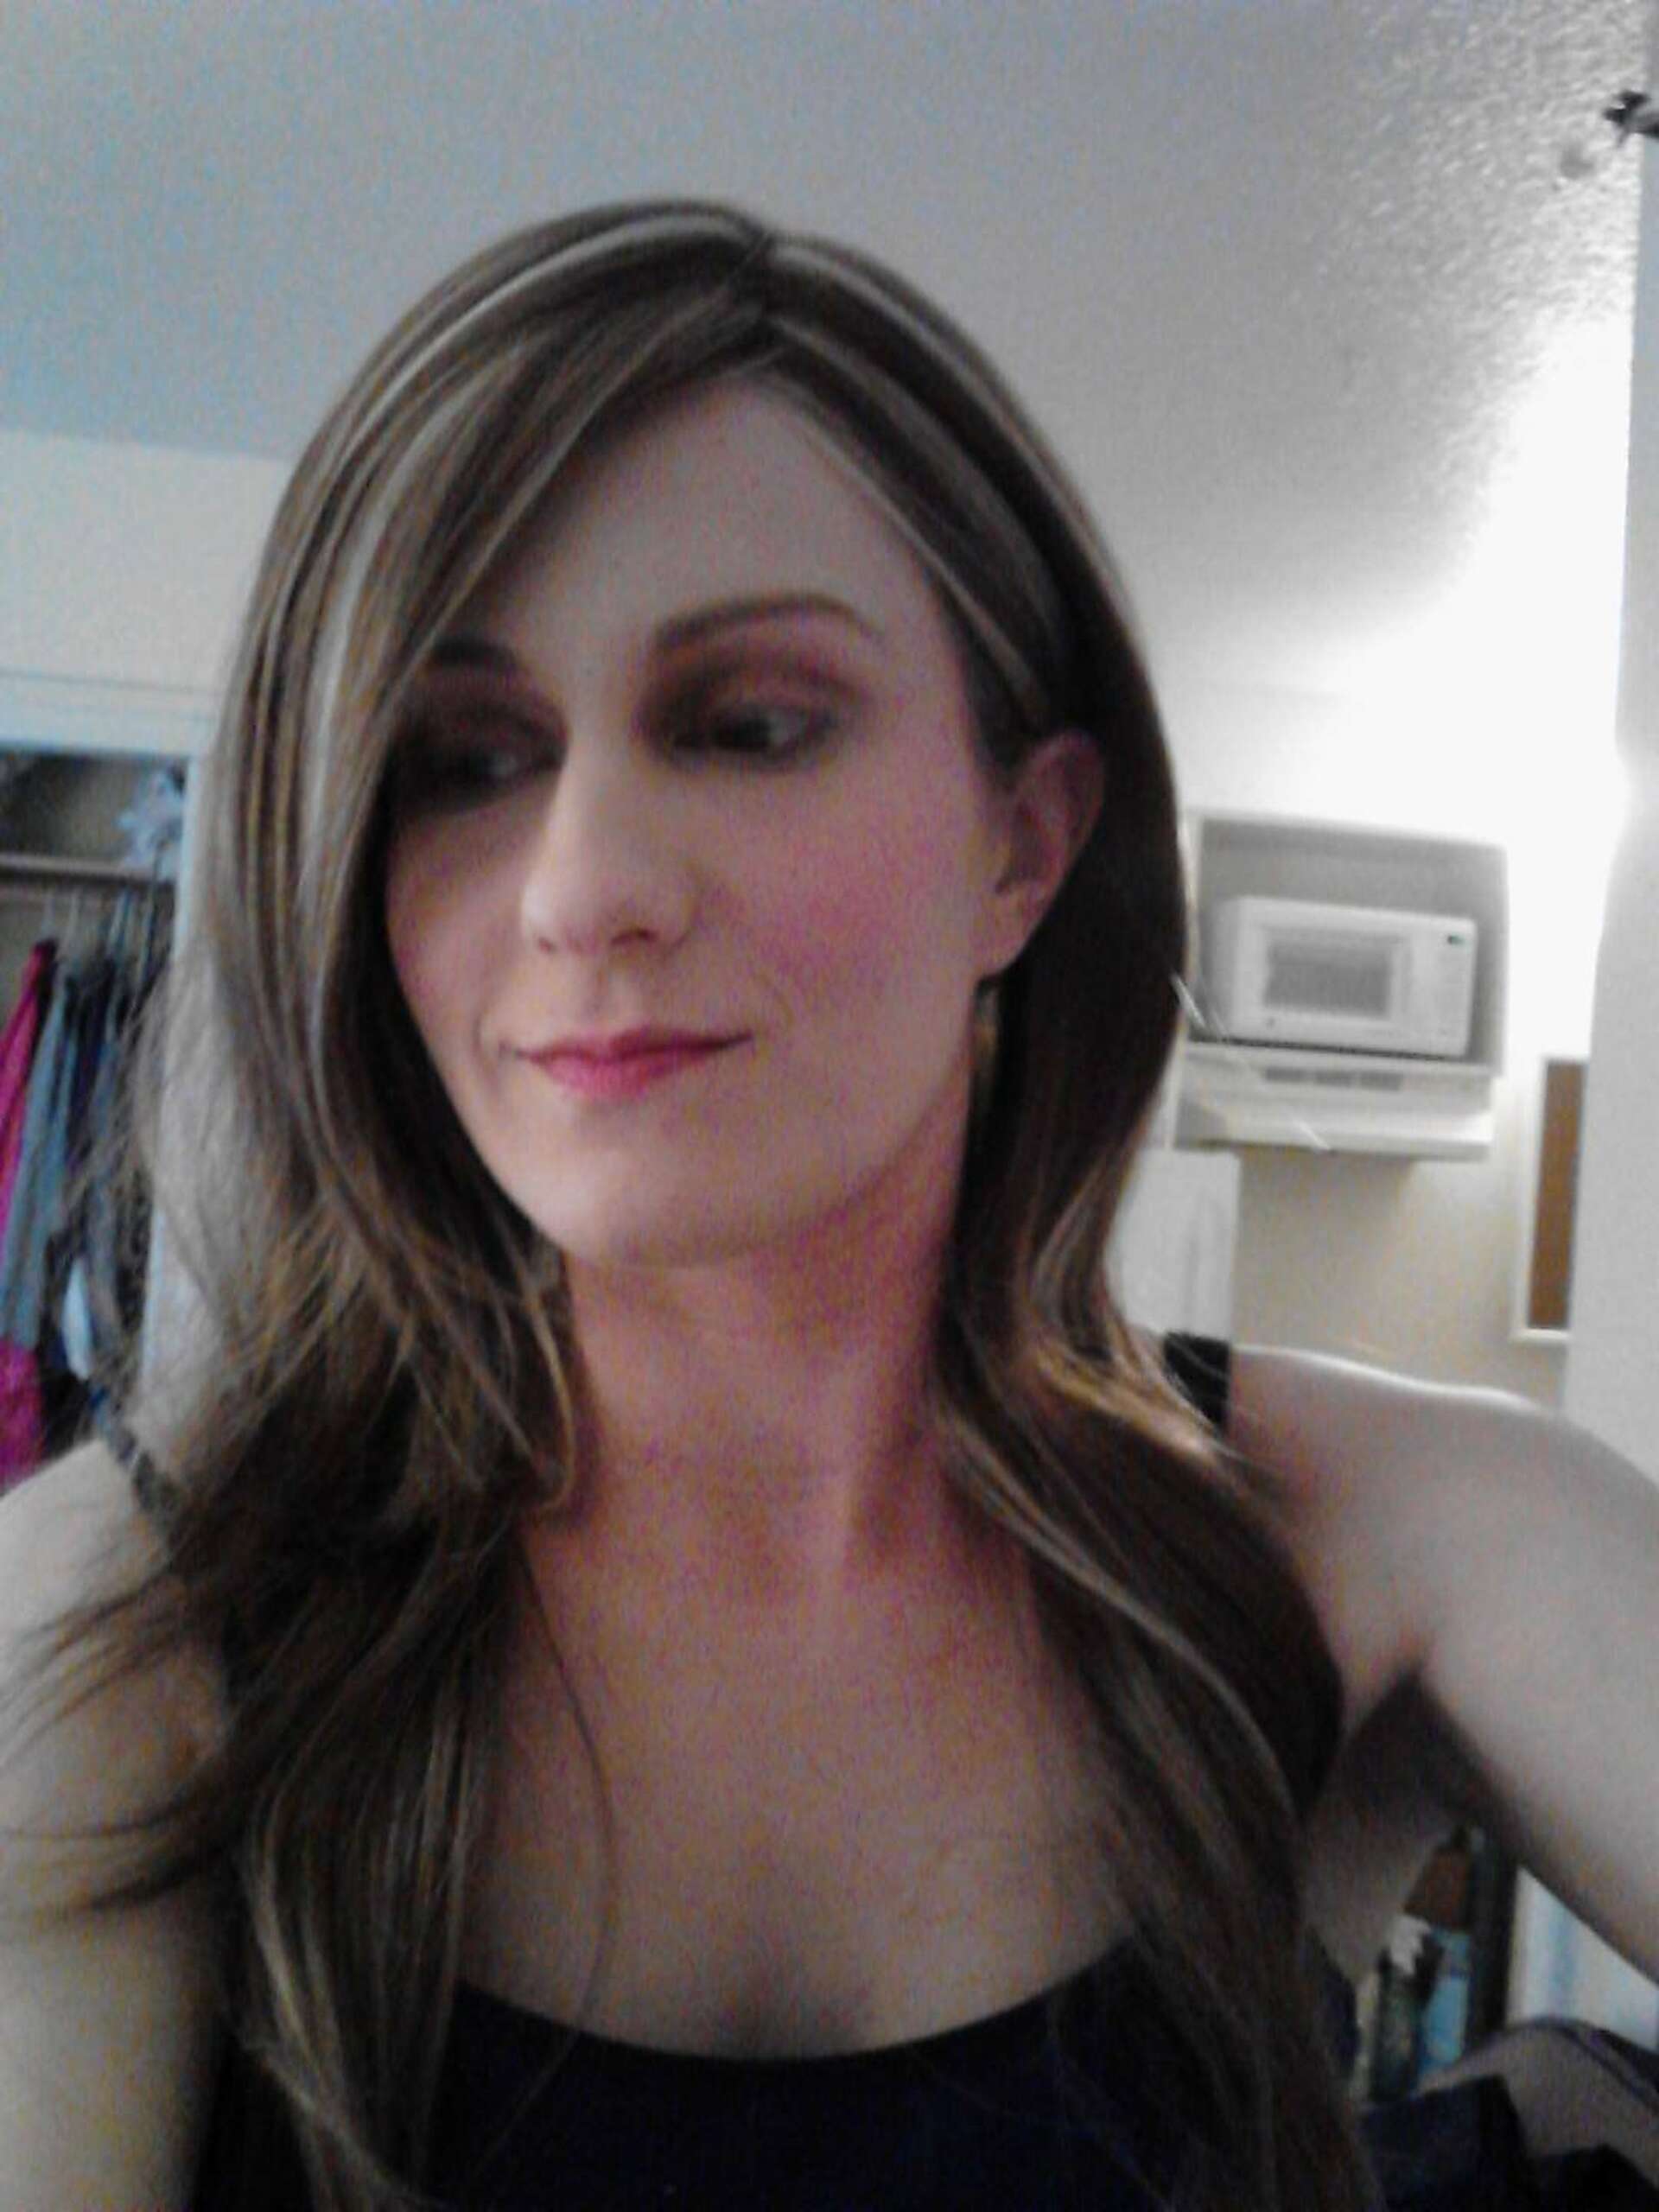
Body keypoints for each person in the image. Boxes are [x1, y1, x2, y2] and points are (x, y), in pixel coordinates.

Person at [0, 200, 1654, 2212]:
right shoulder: (108, 1642)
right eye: (464, 759)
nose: (581, 885)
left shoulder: (1389, 1542)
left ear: (1020, 849)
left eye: (750, 724)